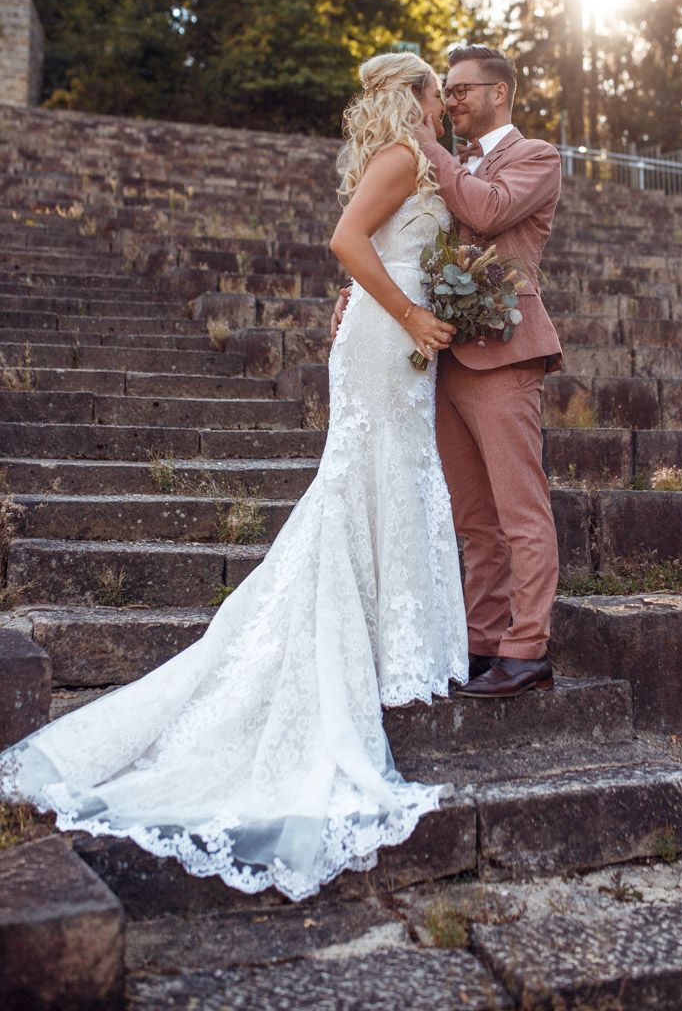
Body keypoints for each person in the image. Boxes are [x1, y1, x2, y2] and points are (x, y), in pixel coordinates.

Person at [0, 52, 468, 901]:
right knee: (370, 472)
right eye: (437, 92)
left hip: (403, 331)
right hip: (389, 333)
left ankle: (392, 644)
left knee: (397, 471)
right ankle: (363, 645)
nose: (443, 104)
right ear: (414, 97)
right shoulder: (401, 156)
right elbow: (345, 241)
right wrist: (405, 312)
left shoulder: (420, 161)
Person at [333, 44, 563, 698]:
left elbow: (486, 212)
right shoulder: (443, 163)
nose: (452, 99)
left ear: (499, 92)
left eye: (461, 89)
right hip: (442, 357)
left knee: (519, 508)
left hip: (505, 352)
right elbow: (409, 242)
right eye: (446, 90)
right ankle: (484, 642)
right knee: (473, 515)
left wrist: (423, 141)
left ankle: (527, 649)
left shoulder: (536, 157)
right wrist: (360, 291)